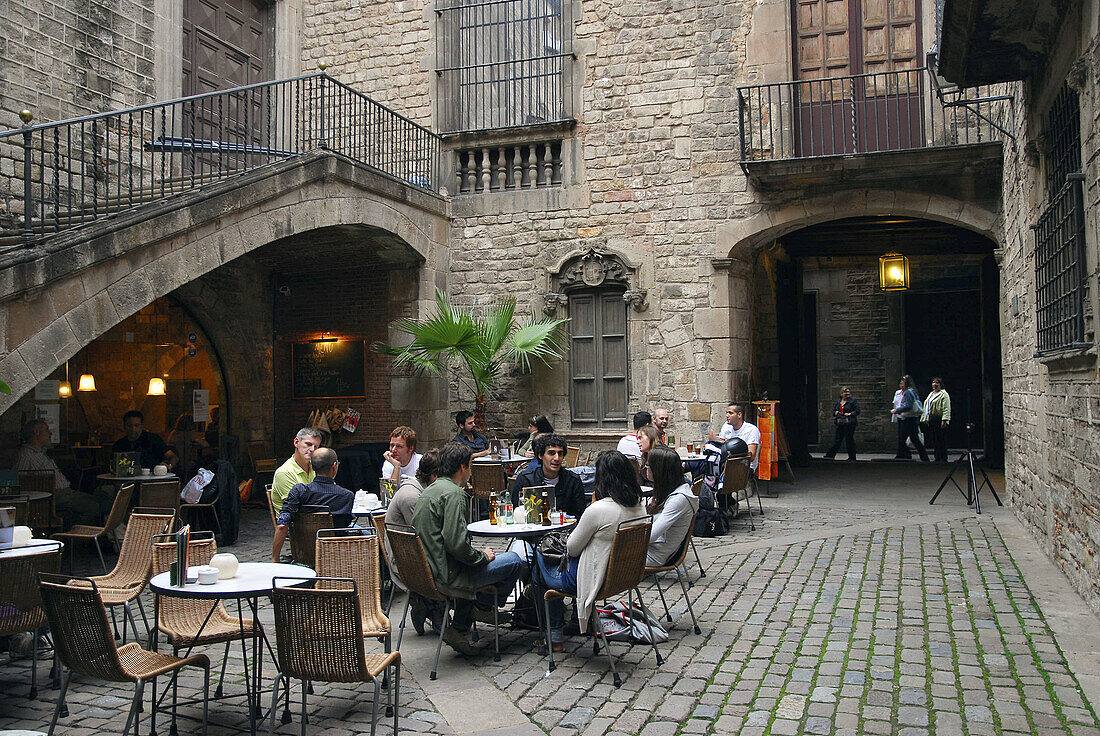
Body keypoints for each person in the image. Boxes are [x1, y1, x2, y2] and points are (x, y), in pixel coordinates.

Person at [412, 442, 527, 655]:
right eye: (471, 465)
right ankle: (479, 611)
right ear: (463, 467)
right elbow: (457, 545)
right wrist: (481, 557)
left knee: (493, 558)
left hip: (426, 572)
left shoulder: (430, 491)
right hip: (448, 575)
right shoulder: (454, 494)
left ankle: (473, 612)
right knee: (513, 560)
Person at [533, 451, 645, 651]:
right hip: (621, 578)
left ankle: (554, 636)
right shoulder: (639, 507)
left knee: (537, 557)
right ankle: (572, 622)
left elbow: (572, 548)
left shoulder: (599, 510)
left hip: (591, 580)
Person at [385, 449, 443, 635]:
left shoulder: (419, 490)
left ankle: (431, 607)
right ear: (434, 475)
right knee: (450, 565)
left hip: (412, 553)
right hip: (405, 562)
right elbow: (424, 536)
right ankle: (433, 608)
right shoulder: (412, 496)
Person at [15, 419, 108, 526]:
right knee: (95, 507)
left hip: (65, 494)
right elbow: (18, 479)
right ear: (37, 432)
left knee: (101, 499)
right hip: (55, 496)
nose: (49, 434)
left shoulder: (40, 453)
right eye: (46, 430)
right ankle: (76, 535)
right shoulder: (26, 455)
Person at [270, 447, 354, 562]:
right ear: (334, 466)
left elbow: (282, 525)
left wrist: (275, 558)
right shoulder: (346, 496)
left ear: (313, 466)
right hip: (335, 556)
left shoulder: (299, 491)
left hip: (303, 552)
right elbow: (344, 526)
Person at [510, 434, 588, 519]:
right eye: (551, 453)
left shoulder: (573, 481)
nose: (557, 458)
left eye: (560, 454)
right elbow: (515, 511)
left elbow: (580, 515)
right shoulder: (525, 479)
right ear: (540, 455)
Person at [644, 446, 699, 567]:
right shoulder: (668, 491)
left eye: (648, 464)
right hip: (649, 550)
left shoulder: (679, 499)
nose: (645, 467)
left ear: (658, 470)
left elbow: (650, 536)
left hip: (652, 555)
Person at [270, 428, 323, 516]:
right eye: (308, 444)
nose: (312, 449)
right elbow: (297, 506)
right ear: (296, 442)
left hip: (315, 518)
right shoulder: (284, 472)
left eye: (316, 447)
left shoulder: (316, 467)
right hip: (295, 524)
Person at [708, 403, 761, 471]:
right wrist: (714, 442)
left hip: (745, 467)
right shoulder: (726, 426)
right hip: (725, 463)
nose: (727, 415)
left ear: (739, 415)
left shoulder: (751, 430)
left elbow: (751, 456)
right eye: (726, 413)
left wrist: (731, 447)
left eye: (730, 413)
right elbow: (721, 447)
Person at [891, 375, 929, 461]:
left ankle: (902, 455)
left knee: (903, 438)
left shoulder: (908, 392)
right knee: (914, 438)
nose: (900, 384)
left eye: (902, 383)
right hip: (911, 418)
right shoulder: (911, 391)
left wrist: (897, 410)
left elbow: (908, 406)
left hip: (908, 419)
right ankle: (923, 456)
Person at [166, 413, 212, 479]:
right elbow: (205, 444)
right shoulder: (190, 434)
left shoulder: (173, 433)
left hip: (175, 464)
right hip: (186, 464)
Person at [824, 387, 860, 461]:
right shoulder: (838, 402)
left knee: (849, 440)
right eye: (845, 392)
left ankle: (852, 457)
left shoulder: (853, 401)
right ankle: (830, 455)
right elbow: (834, 411)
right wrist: (835, 413)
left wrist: (850, 413)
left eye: (848, 392)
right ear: (841, 393)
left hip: (849, 423)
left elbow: (857, 411)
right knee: (837, 440)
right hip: (840, 422)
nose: (847, 393)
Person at [921, 377, 952, 462]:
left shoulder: (943, 394)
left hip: (939, 418)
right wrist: (925, 418)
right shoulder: (931, 394)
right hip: (932, 419)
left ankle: (943, 457)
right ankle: (937, 456)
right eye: (933, 383)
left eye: (936, 383)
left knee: (941, 439)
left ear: (940, 384)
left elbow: (946, 408)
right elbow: (927, 406)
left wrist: (944, 420)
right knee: (935, 439)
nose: (934, 384)